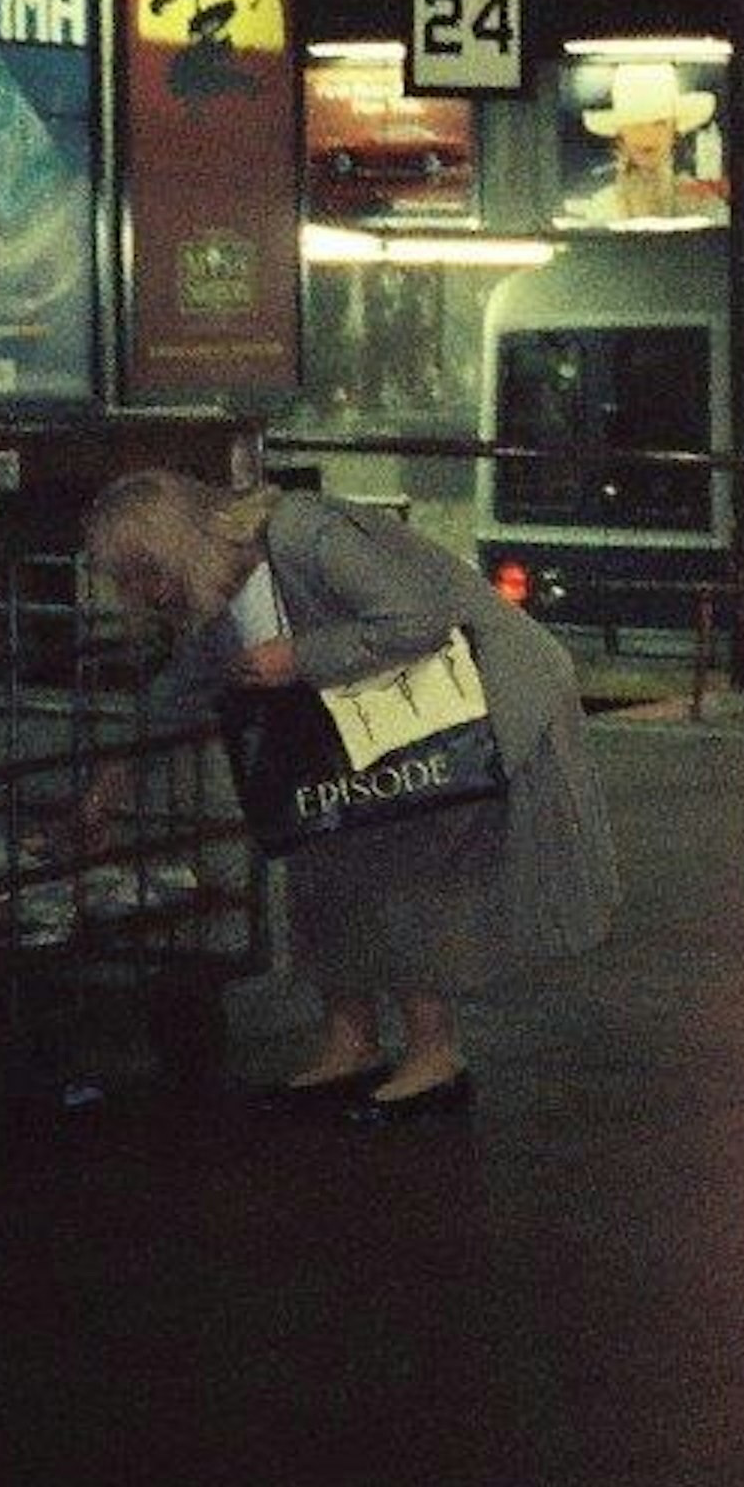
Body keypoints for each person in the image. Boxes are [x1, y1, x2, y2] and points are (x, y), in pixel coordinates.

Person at [79, 470, 619, 1123]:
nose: (139, 594)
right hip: (385, 713)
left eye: (141, 573)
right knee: (321, 855)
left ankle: (433, 1056)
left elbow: (417, 618)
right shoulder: (218, 587)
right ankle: (351, 1041)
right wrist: (113, 778)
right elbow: (188, 680)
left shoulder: (308, 532)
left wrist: (299, 656)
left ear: (173, 549)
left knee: (407, 860)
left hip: (477, 695)